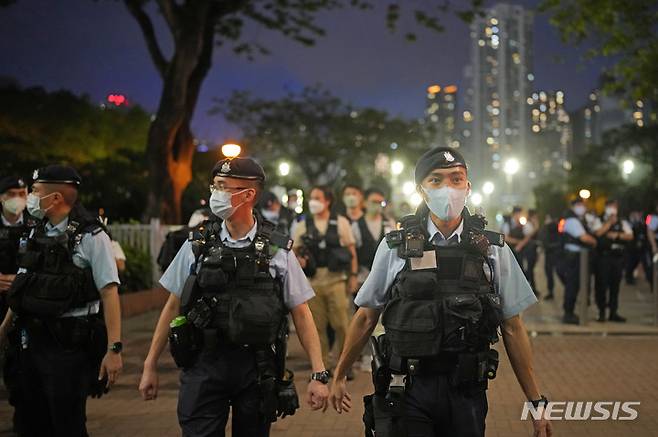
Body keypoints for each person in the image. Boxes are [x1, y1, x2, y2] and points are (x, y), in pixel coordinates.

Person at [328, 147, 551, 437]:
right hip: (408, 387)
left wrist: (536, 402)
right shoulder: (396, 247)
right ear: (421, 191)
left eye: (456, 179)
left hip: (466, 392)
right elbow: (366, 317)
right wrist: (339, 374)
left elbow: (513, 328)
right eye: (436, 180)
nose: (448, 188)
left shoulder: (492, 250)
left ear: (468, 187)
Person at [138, 157, 329, 437]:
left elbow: (301, 312)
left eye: (223, 187)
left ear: (248, 194)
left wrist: (318, 374)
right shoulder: (198, 243)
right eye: (215, 186)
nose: (216, 194)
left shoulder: (277, 248)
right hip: (204, 362)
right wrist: (149, 365)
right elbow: (172, 306)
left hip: (256, 367)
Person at [0, 165, 123, 436]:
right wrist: (4, 328)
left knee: (66, 422)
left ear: (55, 198)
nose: (29, 197)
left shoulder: (91, 236)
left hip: (68, 345)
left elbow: (109, 292)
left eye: (34, 191)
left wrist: (114, 350)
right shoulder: (34, 232)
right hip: (30, 341)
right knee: (28, 420)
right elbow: (22, 286)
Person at [292, 186, 358, 370]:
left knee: (342, 324)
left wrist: (352, 276)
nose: (312, 201)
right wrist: (300, 261)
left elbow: (352, 251)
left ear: (327, 201)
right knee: (317, 326)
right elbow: (294, 251)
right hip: (312, 282)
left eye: (317, 197)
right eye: (311, 197)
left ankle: (344, 366)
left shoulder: (341, 222)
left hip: (336, 279)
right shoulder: (304, 224)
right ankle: (322, 366)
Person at [557, 198, 597, 324]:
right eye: (579, 205)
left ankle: (570, 312)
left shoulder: (577, 219)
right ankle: (568, 314)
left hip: (577, 257)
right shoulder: (572, 221)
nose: (582, 207)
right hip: (574, 258)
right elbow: (584, 238)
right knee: (572, 286)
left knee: (574, 285)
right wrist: (595, 241)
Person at [591, 200, 633, 322]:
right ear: (606, 208)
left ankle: (613, 312)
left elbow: (630, 236)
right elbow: (598, 233)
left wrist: (616, 235)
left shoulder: (622, 221)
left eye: (615, 207)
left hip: (617, 258)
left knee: (615, 286)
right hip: (603, 258)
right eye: (610, 207)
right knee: (601, 285)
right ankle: (601, 312)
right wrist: (609, 223)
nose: (613, 209)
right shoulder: (598, 219)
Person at [351, 188, 396, 286]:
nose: (377, 205)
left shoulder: (389, 223)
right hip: (363, 277)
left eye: (380, 202)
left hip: (386, 277)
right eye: (374, 202)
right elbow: (353, 252)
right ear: (365, 203)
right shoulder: (356, 225)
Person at [516, 209, 540, 295]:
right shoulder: (528, 225)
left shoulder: (531, 225)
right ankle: (526, 287)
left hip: (533, 249)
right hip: (529, 250)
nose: (536, 218)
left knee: (530, 269)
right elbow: (527, 237)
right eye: (535, 217)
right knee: (529, 269)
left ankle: (529, 288)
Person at [538, 214, 561, 301]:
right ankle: (550, 291)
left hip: (556, 254)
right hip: (549, 254)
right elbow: (543, 239)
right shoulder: (546, 228)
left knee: (560, 272)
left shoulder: (557, 227)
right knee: (549, 273)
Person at [625, 209, 651, 285]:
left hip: (643, 247)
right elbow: (631, 232)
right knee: (631, 263)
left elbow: (648, 229)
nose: (639, 215)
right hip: (633, 248)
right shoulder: (630, 222)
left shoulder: (646, 219)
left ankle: (650, 279)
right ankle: (629, 278)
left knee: (646, 264)